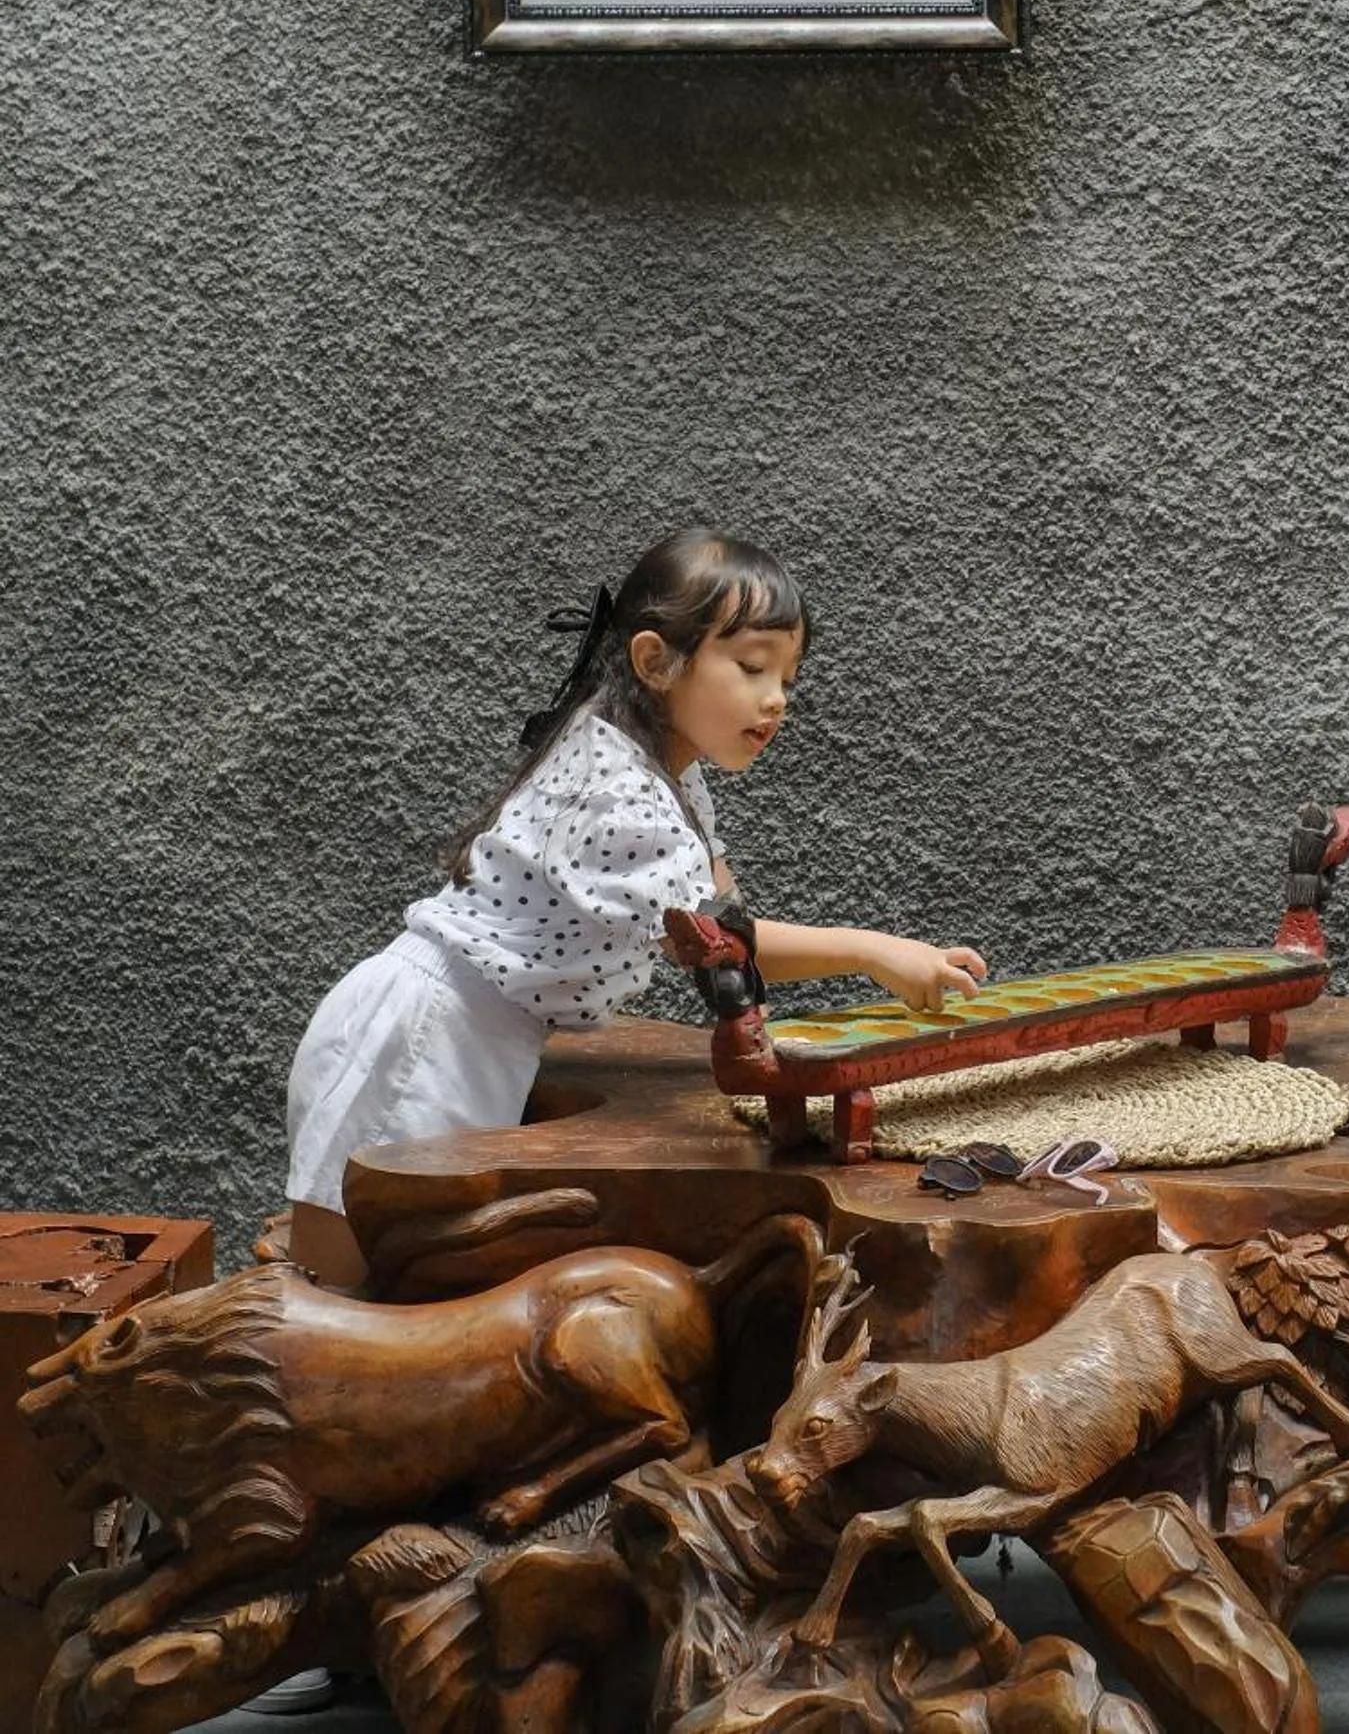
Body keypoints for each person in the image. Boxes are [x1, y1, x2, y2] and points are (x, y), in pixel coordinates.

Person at [284, 528, 988, 1292]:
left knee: (401, 1300)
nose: (776, 696)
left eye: (788, 675)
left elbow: (725, 927)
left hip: (477, 1040)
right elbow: (718, 939)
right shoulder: (615, 787)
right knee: (338, 1307)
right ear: (656, 662)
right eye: (751, 666)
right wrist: (875, 950)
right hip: (420, 1042)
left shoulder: (667, 780)